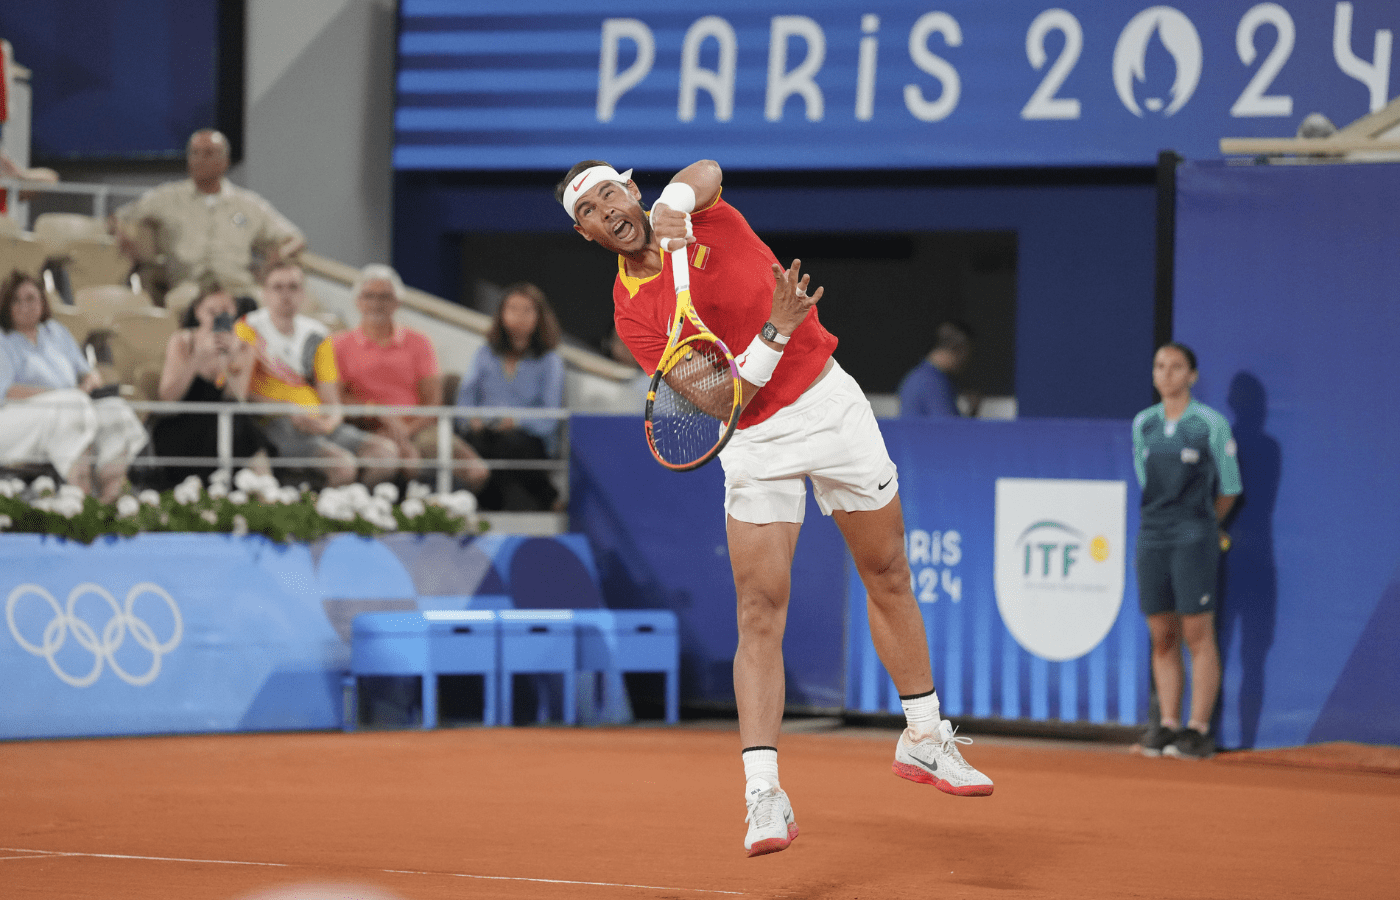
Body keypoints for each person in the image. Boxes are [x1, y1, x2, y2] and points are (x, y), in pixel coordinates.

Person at [557, 159, 993, 857]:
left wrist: (675, 199)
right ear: (587, 235)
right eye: (588, 209)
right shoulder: (633, 314)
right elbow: (723, 404)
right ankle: (763, 793)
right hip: (753, 440)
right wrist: (774, 333)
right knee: (759, 610)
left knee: (887, 572)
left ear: (631, 191)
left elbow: (707, 169)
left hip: (829, 403)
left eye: (611, 191)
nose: (605, 208)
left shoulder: (700, 213)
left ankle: (924, 736)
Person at [1132, 342, 1242, 760]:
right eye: (1160, 365)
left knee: (1197, 634)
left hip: (1194, 536)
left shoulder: (1210, 424)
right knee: (1162, 636)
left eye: (1176, 367)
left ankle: (1197, 730)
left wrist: (1204, 526)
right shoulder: (1143, 424)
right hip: (1152, 535)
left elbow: (1230, 488)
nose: (1167, 374)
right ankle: (1166, 725)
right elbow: (1147, 481)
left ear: (1192, 376)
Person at [236, 260, 395, 488]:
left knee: (385, 455)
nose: (285, 295)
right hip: (273, 423)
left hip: (316, 421)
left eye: (293, 287)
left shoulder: (317, 334)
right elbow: (237, 392)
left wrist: (329, 423)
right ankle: (326, 517)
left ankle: (357, 510)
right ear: (264, 293)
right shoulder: (247, 329)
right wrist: (286, 408)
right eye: (277, 287)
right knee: (343, 465)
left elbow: (331, 399)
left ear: (302, 293)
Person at [331, 264, 487, 491]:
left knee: (477, 472)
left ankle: (449, 517)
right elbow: (336, 398)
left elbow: (433, 401)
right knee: (408, 462)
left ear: (397, 303)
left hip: (419, 426)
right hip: (368, 427)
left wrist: (406, 431)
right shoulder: (338, 345)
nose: (376, 303)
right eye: (369, 296)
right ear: (358, 302)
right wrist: (377, 413)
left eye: (385, 297)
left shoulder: (419, 342)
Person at [111, 129, 305, 309]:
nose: (199, 160)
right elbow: (120, 216)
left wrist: (273, 263)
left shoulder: (249, 205)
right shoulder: (166, 198)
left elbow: (294, 238)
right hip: (190, 289)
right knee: (181, 303)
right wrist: (125, 235)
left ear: (224, 162)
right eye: (194, 153)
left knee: (266, 306)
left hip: (239, 287)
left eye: (208, 154)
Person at [0, 270, 145, 501]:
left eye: (31, 298)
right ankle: (80, 495)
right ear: (6, 304)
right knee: (71, 405)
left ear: (42, 301)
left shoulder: (56, 332)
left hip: (70, 406)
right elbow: (7, 391)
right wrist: (64, 394)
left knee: (114, 409)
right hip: (16, 418)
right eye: (16, 300)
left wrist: (90, 383)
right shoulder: (3, 340)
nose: (24, 305)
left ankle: (109, 499)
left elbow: (88, 373)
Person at [147, 282, 271, 489]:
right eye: (211, 311)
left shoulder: (244, 346)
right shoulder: (183, 341)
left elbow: (236, 398)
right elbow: (168, 397)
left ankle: (265, 490)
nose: (217, 317)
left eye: (225, 311)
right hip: (185, 421)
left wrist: (230, 360)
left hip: (227, 422)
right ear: (198, 312)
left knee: (241, 427)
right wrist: (197, 358)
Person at [454, 282, 564, 512]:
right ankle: (546, 497)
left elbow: (549, 417)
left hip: (529, 438)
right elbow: (466, 397)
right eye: (512, 309)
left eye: (526, 310)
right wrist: (471, 419)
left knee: (508, 446)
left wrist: (515, 421)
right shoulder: (485, 353)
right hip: (486, 431)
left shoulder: (549, 361)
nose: (519, 316)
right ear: (501, 313)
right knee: (475, 445)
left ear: (539, 316)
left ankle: (537, 499)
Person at [898, 319, 975, 418]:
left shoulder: (920, 375)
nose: (966, 360)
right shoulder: (931, 381)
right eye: (967, 353)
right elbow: (948, 430)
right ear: (959, 348)